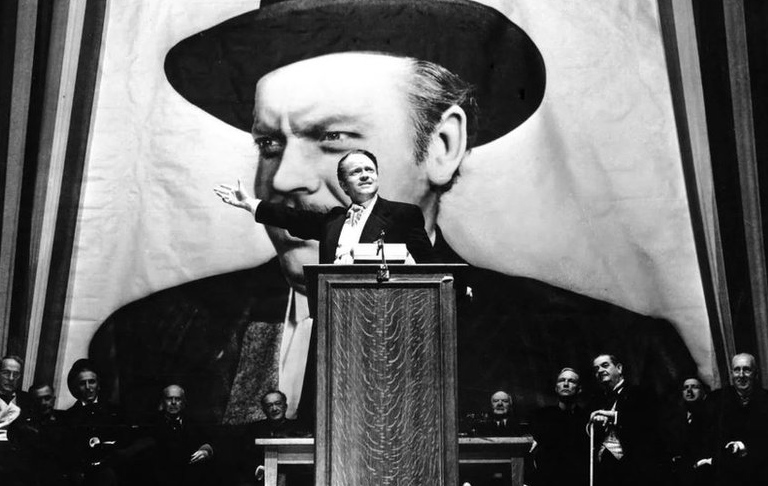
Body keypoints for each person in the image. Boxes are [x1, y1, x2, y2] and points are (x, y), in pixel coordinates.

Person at [90, 0, 696, 427]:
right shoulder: (144, 345)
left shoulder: (610, 349)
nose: (286, 178)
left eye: (332, 139)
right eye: (270, 144)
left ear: (442, 146)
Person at [215, 149, 435, 265]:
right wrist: (250, 204)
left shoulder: (403, 215)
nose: (365, 175)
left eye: (369, 170)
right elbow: (292, 217)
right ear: (343, 185)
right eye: (356, 172)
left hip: (383, 317)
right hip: (333, 315)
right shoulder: (334, 220)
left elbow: (431, 266)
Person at [588, 354, 662, 486]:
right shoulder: (596, 400)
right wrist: (593, 423)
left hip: (634, 468)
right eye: (596, 369)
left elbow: (649, 422)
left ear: (619, 368)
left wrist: (615, 416)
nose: (600, 370)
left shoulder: (641, 393)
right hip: (604, 469)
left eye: (605, 365)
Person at [698, 353, 768, 486]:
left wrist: (745, 447)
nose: (741, 375)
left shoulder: (765, 399)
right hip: (722, 472)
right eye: (737, 370)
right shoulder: (716, 399)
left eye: (746, 370)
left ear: (755, 374)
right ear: (731, 374)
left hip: (758, 473)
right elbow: (704, 436)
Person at [141, 384, 214, 486]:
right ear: (163, 402)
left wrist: (205, 451)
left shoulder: (194, 423)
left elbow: (209, 441)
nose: (173, 402)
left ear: (183, 403)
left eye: (178, 399)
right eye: (169, 398)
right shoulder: (150, 424)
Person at [529, 368, 589, 486]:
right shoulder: (541, 417)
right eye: (562, 380)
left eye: (571, 381)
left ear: (579, 389)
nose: (566, 384)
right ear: (556, 388)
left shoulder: (586, 418)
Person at [660, 376, 711, 486]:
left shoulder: (711, 415)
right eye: (686, 388)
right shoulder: (675, 418)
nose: (689, 391)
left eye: (694, 387)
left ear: (703, 392)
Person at [0, 355, 36, 486]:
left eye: (15, 374)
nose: (11, 378)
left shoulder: (28, 400)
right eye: (6, 373)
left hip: (19, 470)